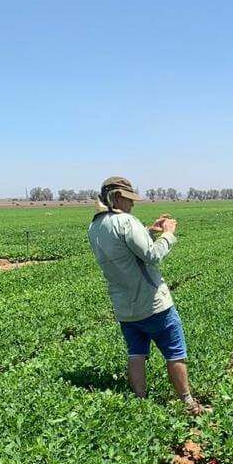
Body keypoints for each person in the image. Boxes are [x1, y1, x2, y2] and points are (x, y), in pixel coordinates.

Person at [88, 176, 202, 413]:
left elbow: (124, 249)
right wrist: (168, 234)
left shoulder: (95, 227)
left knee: (136, 353)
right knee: (175, 352)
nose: (132, 204)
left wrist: (148, 230)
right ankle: (188, 403)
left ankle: (140, 403)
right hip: (154, 304)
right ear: (117, 198)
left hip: (125, 308)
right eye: (129, 199)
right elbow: (152, 256)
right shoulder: (127, 222)